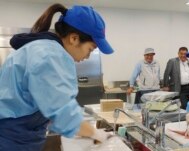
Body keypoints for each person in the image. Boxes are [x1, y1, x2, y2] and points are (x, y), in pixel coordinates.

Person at [0, 4, 113, 150]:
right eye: (90, 49)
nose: (87, 56)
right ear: (74, 38)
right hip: (13, 139)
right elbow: (62, 111)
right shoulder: (51, 56)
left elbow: (49, 103)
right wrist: (97, 134)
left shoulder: (40, 48)